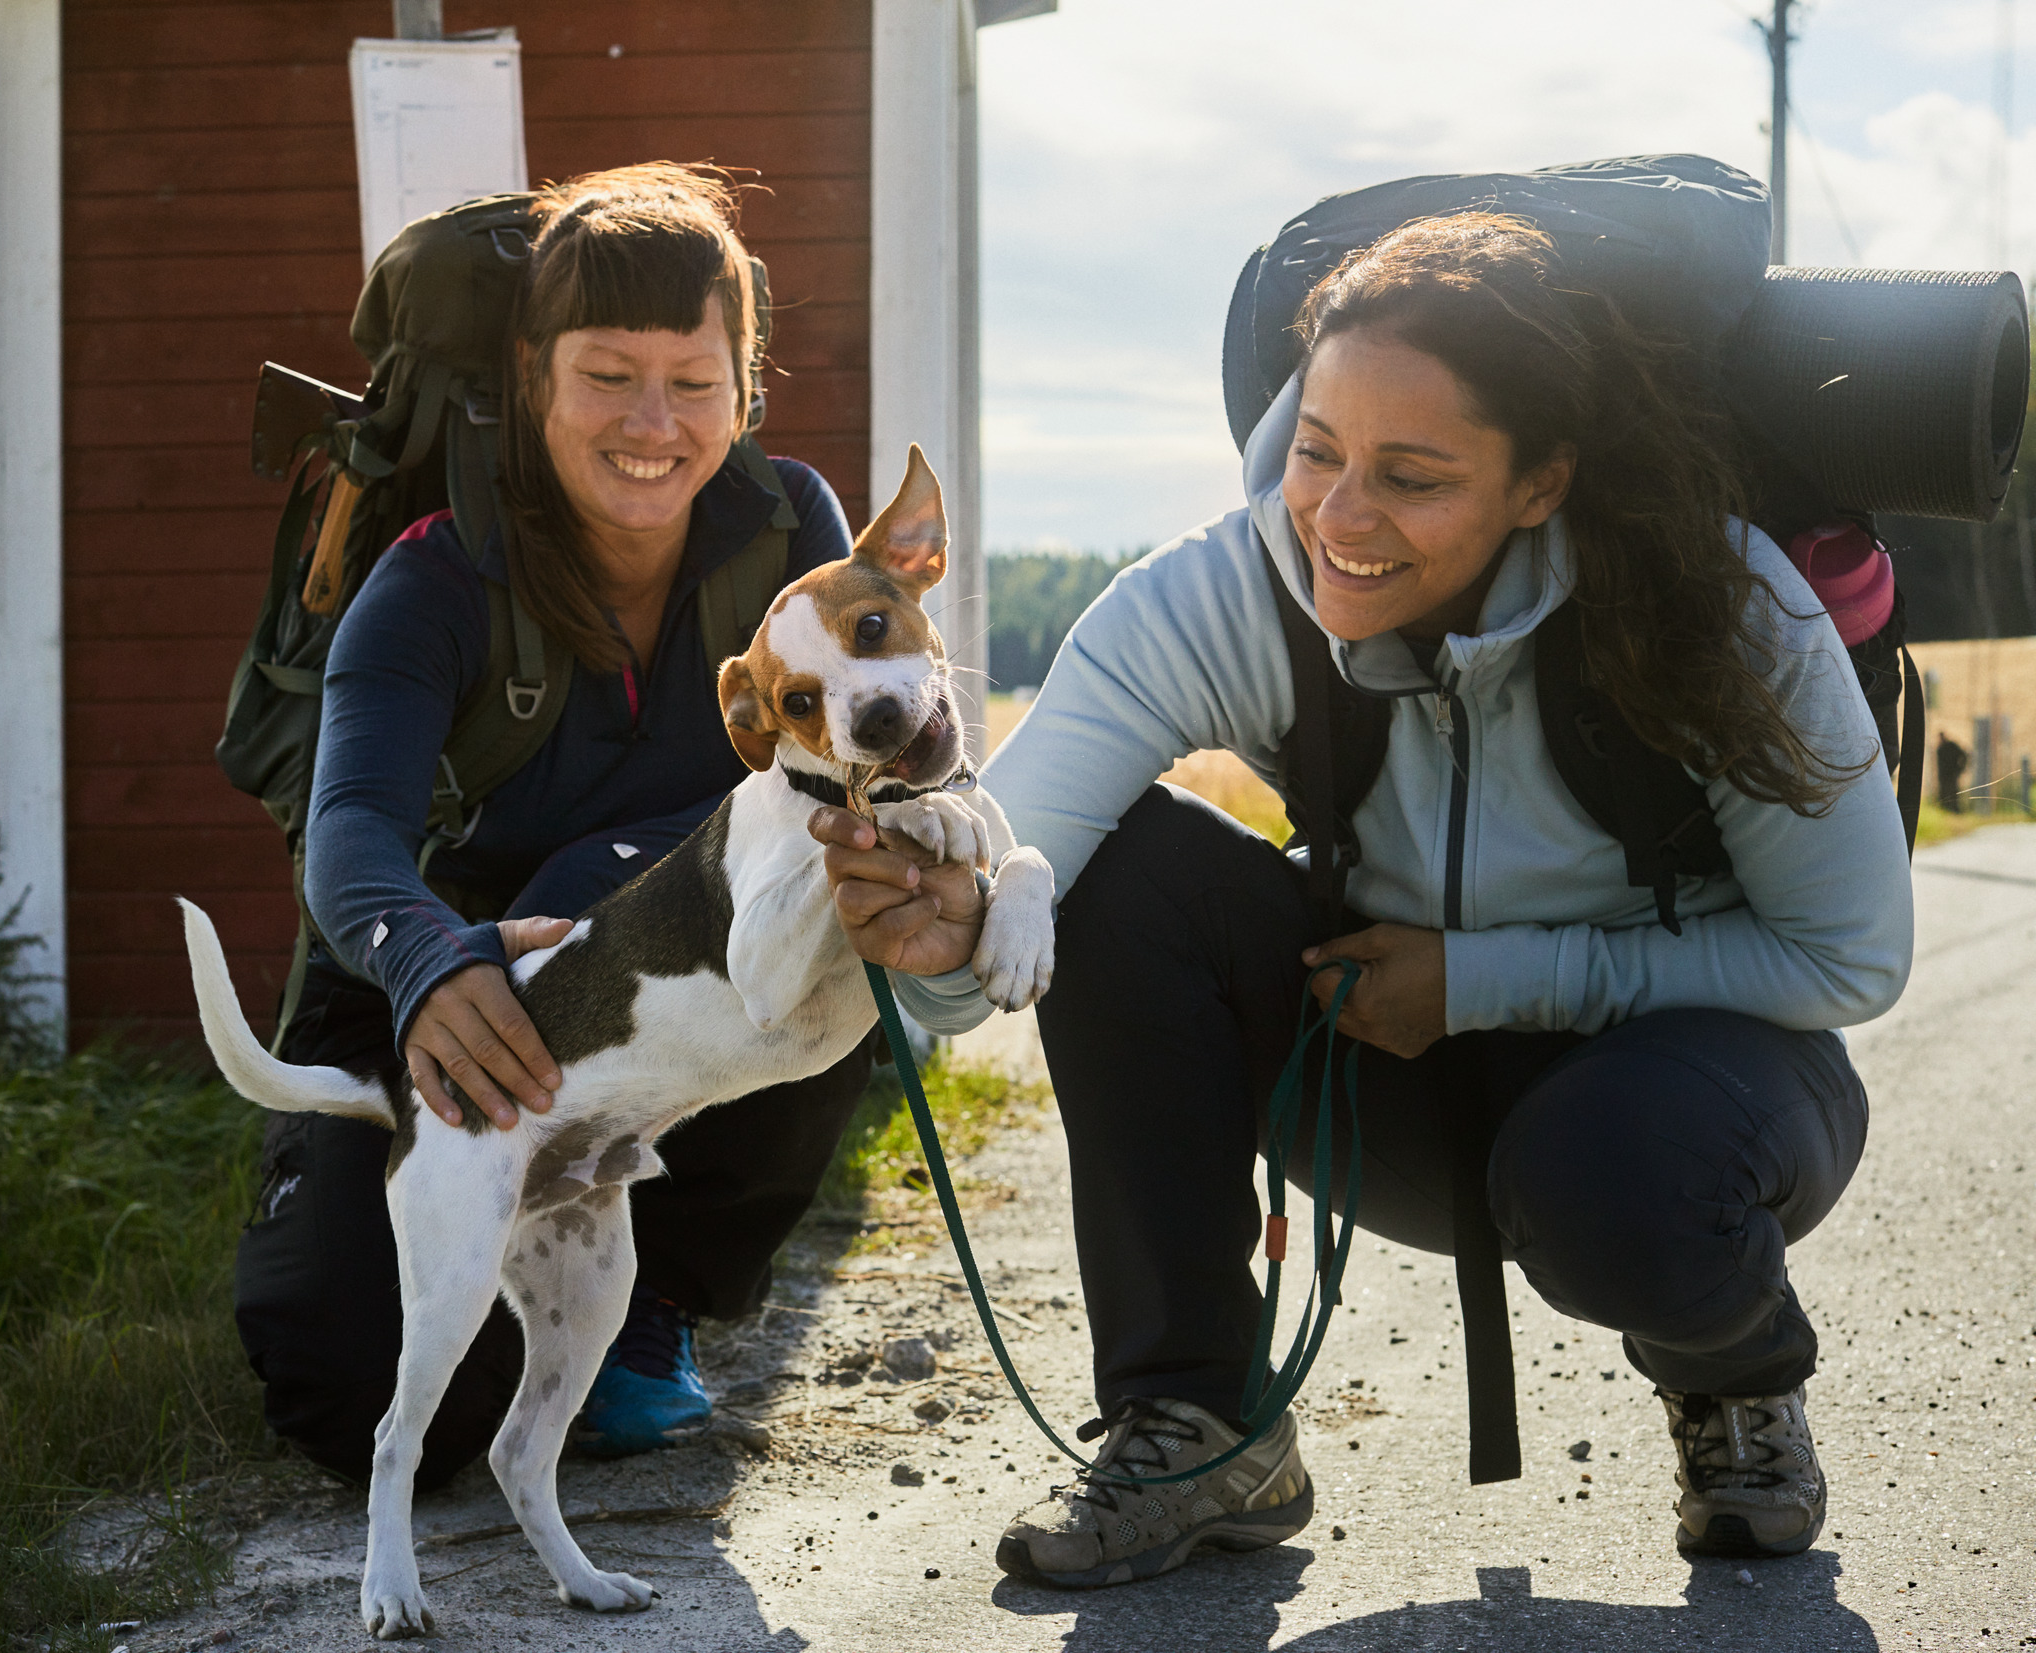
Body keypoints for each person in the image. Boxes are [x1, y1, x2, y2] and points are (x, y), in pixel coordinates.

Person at [814, 213, 1909, 1584]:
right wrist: (942, 942)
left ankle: (1736, 1374)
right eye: (1319, 451)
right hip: (1380, 1081)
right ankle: (1204, 1425)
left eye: (1414, 475)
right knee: (1111, 871)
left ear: (1541, 480)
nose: (1337, 516)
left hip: (1690, 1094)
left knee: (1615, 1174)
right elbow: (996, 859)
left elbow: (1854, 957)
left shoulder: (1723, 606)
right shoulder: (1225, 592)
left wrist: (1486, 976)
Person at [233, 165, 870, 1490]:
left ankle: (647, 1301)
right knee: (359, 1397)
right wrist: (426, 962)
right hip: (438, 986)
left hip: (653, 976)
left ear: (746, 390)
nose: (655, 423)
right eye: (607, 375)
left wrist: (608, 877)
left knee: (830, 931)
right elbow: (347, 835)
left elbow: (839, 783)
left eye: (696, 382)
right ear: (534, 377)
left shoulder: (788, 534)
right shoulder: (432, 581)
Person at [1935, 729, 1969, 812]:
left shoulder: (1951, 746)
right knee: (1944, 792)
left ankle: (1954, 809)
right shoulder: (1941, 748)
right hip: (1944, 775)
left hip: (1952, 774)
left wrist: (1960, 768)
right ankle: (1945, 809)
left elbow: (1963, 755)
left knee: (1953, 792)